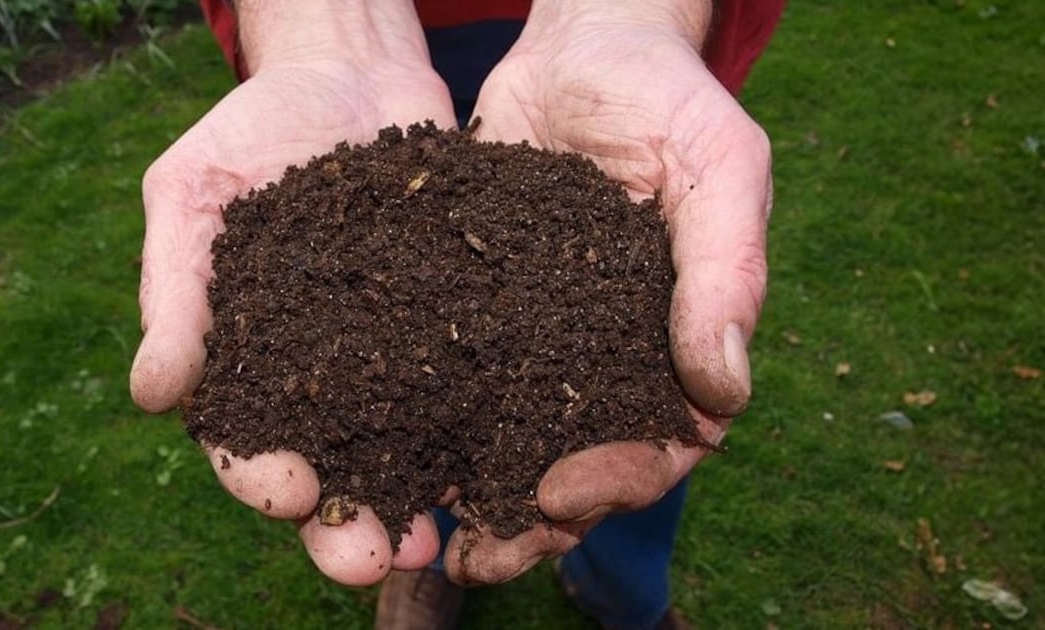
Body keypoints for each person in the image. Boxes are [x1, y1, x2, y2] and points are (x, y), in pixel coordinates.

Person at [130, 1, 783, 627]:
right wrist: (322, 28)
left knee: (633, 448)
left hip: (615, 42)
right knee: (433, 460)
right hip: (393, 35)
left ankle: (625, 598)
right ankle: (431, 559)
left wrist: (627, 18)